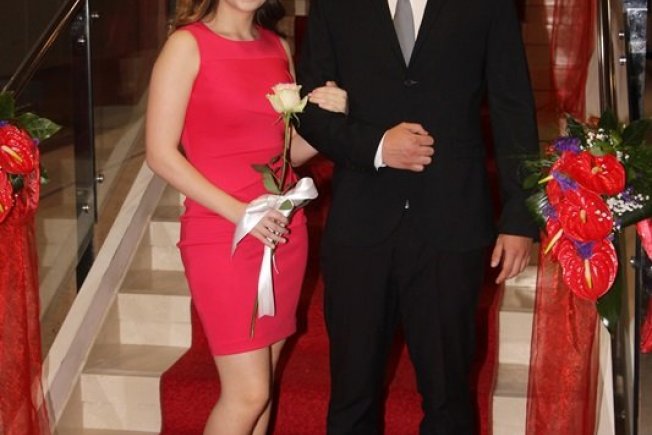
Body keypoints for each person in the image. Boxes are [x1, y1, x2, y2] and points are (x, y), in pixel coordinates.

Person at [297, 0, 539, 433]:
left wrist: (520, 215)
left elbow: (513, 106)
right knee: (352, 395)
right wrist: (377, 147)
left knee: (449, 398)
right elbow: (309, 112)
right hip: (360, 222)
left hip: (452, 220)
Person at [145, 0, 347, 433]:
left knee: (263, 389)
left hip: (282, 232)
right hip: (222, 232)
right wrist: (242, 213)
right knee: (248, 393)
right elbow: (160, 154)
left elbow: (287, 153)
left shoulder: (278, 47)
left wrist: (332, 121)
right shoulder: (187, 46)